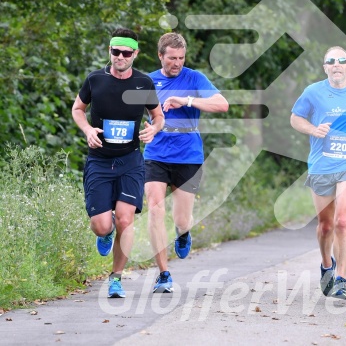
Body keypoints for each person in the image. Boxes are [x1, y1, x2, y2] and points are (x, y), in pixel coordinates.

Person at [72, 28, 164, 298]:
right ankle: (104, 233)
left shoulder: (143, 83)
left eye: (126, 52)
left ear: (135, 54)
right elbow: (78, 109)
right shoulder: (95, 80)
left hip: (130, 161)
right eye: (116, 51)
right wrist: (88, 130)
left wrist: (153, 130)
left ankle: (115, 278)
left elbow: (157, 116)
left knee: (125, 220)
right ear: (109, 51)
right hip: (100, 161)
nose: (120, 57)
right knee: (102, 225)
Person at [290, 46, 346, 300]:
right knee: (326, 225)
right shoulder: (313, 92)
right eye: (331, 61)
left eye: (342, 61)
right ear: (325, 67)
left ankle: (341, 278)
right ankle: (326, 265)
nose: (337, 64)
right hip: (321, 165)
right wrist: (312, 129)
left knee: (342, 221)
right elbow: (295, 118)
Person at [144, 32, 229, 293]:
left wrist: (187, 100)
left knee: (181, 219)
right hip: (156, 153)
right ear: (161, 56)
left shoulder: (194, 78)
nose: (177, 63)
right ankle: (164, 274)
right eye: (172, 58)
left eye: (181, 58)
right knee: (155, 210)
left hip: (188, 155)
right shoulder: (147, 81)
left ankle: (183, 233)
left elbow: (222, 105)